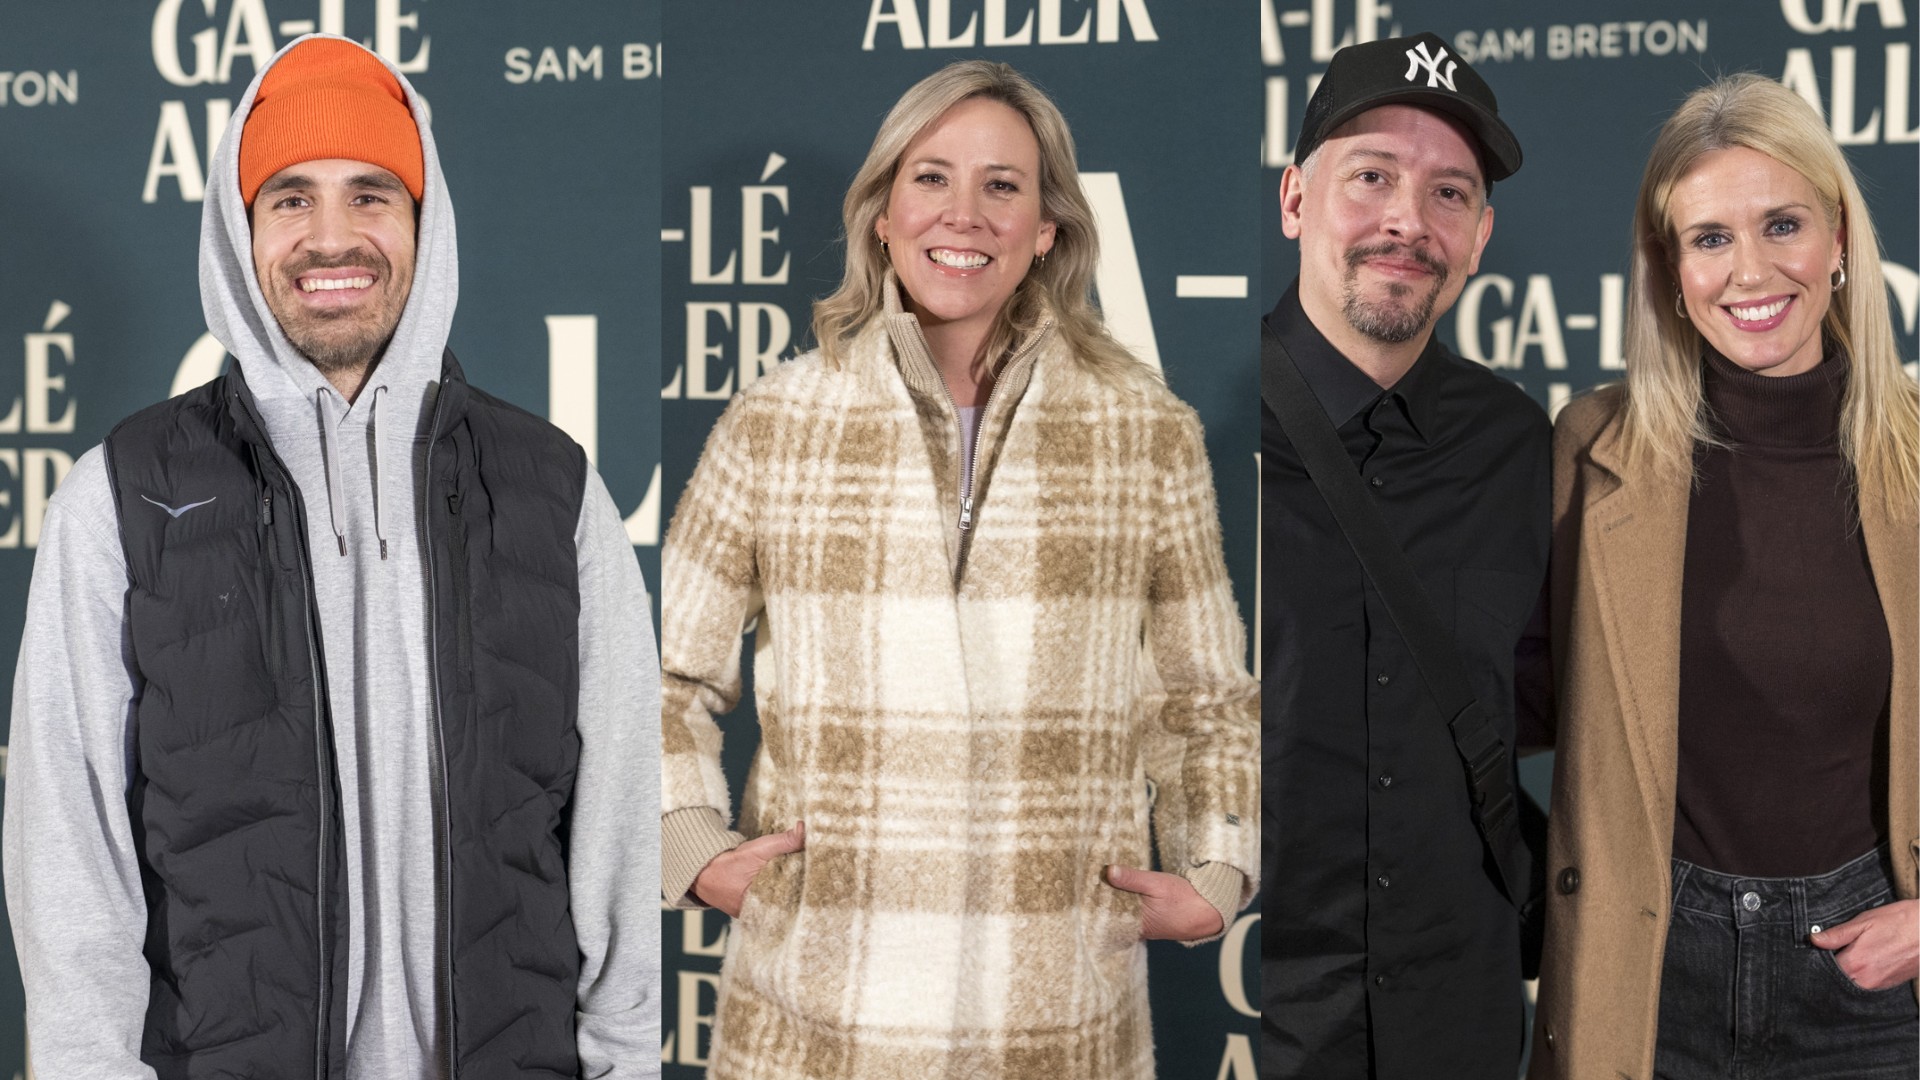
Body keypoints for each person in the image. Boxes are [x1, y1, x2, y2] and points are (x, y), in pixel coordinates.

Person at [2, 36, 659, 1078]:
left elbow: (620, 830)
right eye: (291, 198)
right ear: (241, 228)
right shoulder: (121, 497)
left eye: (370, 194)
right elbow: (70, 851)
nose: (332, 236)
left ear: (423, 221)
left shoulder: (555, 491)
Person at [658, 60, 1258, 1080]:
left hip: (1058, 1025)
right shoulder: (775, 423)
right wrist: (693, 845)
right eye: (931, 177)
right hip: (815, 1025)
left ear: (1047, 228)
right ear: (883, 214)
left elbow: (1209, 699)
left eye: (1002, 185)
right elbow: (665, 679)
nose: (963, 214)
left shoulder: (1144, 433)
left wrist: (1221, 864)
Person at [1529, 73, 1919, 1080]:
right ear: (1670, 267)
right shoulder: (1591, 447)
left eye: (1782, 224)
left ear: (1838, 238)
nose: (1750, 270)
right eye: (1709, 238)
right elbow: (1513, 698)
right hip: (1649, 969)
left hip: (1873, 985)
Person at [1259, 31, 1547, 1079]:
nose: (1407, 221)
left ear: (1479, 237)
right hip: (1243, 1005)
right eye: (1371, 175)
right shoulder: (1184, 422)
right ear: (1296, 198)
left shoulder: (1521, 445)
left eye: (1448, 194)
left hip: (1461, 1017)